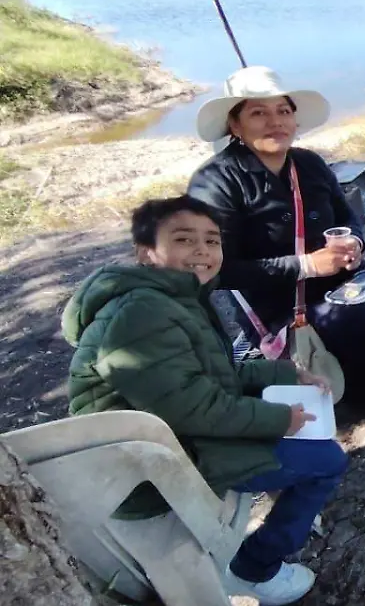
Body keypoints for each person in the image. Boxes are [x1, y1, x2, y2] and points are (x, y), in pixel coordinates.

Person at [62, 196, 346, 606]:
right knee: (327, 462)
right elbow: (194, 408)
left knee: (314, 446)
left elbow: (208, 377)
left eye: (212, 241)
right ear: (145, 251)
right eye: (184, 239)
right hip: (149, 470)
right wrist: (278, 419)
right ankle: (254, 570)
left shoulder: (171, 297)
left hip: (172, 442)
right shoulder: (142, 313)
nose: (202, 251)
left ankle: (275, 526)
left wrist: (286, 372)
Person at [188, 66, 365, 410]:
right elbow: (219, 271)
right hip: (276, 300)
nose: (276, 122)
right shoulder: (215, 183)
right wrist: (306, 265)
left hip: (337, 277)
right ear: (235, 126)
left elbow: (346, 215)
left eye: (283, 111)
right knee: (358, 319)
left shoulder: (309, 163)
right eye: (259, 113)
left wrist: (354, 243)